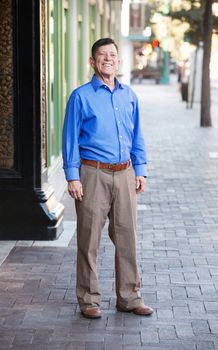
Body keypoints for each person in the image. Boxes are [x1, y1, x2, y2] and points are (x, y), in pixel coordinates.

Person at [62, 38, 153, 319]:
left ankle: (129, 297)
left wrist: (141, 169)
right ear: (92, 61)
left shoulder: (129, 95)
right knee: (89, 239)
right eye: (102, 55)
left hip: (124, 173)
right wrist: (72, 176)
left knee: (127, 237)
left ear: (119, 61)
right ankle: (88, 299)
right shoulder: (80, 96)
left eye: (112, 55)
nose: (108, 59)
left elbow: (136, 135)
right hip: (92, 174)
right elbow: (69, 140)